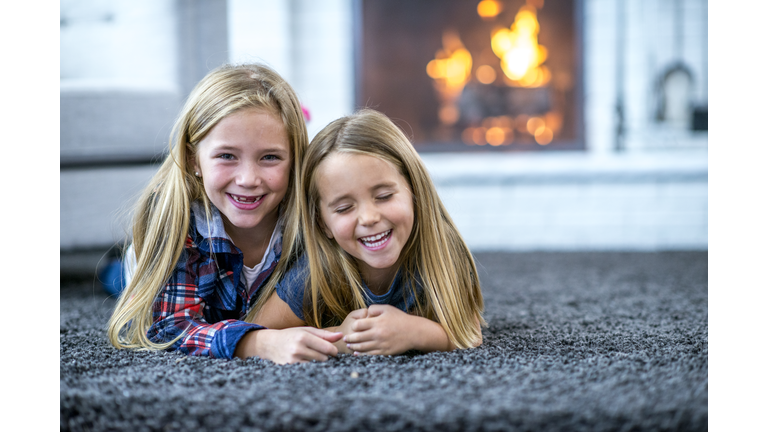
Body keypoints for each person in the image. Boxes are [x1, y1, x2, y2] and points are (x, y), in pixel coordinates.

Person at [106, 63, 343, 364]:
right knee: (117, 280)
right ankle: (112, 269)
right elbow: (170, 327)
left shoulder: (311, 219)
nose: (248, 179)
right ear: (193, 159)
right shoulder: (175, 220)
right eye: (227, 156)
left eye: (269, 157)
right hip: (148, 268)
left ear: (295, 161)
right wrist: (257, 342)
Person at [254, 109, 485, 355]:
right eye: (344, 208)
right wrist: (343, 339)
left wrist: (413, 332)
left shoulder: (442, 250)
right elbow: (257, 332)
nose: (369, 218)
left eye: (384, 196)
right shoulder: (314, 274)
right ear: (323, 224)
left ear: (414, 192)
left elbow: (469, 333)